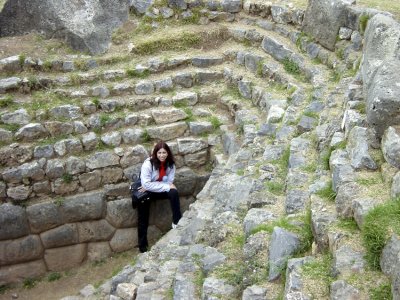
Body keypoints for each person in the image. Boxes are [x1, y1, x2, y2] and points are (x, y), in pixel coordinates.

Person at [137, 140, 182, 253]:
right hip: (147, 191)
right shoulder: (148, 164)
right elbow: (146, 184)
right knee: (143, 216)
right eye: (159, 153)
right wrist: (162, 186)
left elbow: (170, 181)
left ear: (168, 153)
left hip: (157, 188)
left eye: (164, 152)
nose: (162, 155)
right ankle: (143, 247)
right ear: (155, 153)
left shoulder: (170, 164)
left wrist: (154, 186)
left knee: (174, 193)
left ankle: (176, 221)